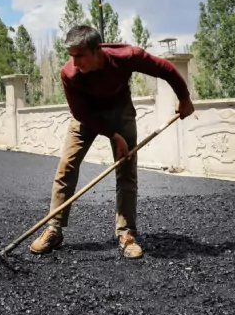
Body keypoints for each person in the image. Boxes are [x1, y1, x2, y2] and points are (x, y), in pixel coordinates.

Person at [29, 25, 195, 259]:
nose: (75, 62)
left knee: (126, 170)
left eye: (80, 55)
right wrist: (112, 135)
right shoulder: (70, 74)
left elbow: (165, 68)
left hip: (120, 112)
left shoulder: (126, 56)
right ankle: (54, 229)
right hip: (87, 117)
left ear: (97, 50)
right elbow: (80, 113)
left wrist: (184, 97)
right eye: (71, 56)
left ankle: (126, 233)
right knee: (66, 167)